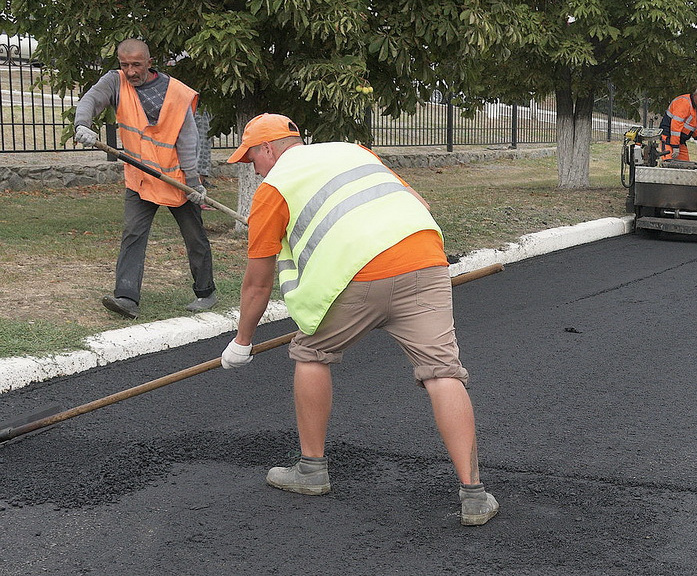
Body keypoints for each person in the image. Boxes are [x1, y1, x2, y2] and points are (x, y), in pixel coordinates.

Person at [219, 113, 499, 526]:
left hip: (359, 278)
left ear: (267, 149)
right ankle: (474, 495)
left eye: (251, 159)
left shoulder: (273, 189)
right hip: (425, 261)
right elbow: (416, 204)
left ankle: (311, 471)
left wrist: (242, 342)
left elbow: (257, 284)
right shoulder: (353, 151)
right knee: (442, 372)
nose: (252, 168)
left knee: (312, 352)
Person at [72, 38, 216, 319]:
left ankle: (206, 291)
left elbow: (188, 139)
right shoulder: (115, 82)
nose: (130, 71)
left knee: (194, 237)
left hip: (177, 180)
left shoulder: (175, 93)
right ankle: (126, 298)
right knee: (133, 235)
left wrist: (194, 182)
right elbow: (91, 99)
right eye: (125, 65)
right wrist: (82, 124)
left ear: (150, 63)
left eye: (136, 65)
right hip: (140, 177)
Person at [659, 86, 697, 161]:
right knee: (668, 164)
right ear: (696, 95)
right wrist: (675, 146)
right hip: (668, 139)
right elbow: (675, 128)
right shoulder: (684, 103)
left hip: (679, 141)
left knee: (686, 166)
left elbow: (690, 126)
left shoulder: (695, 107)